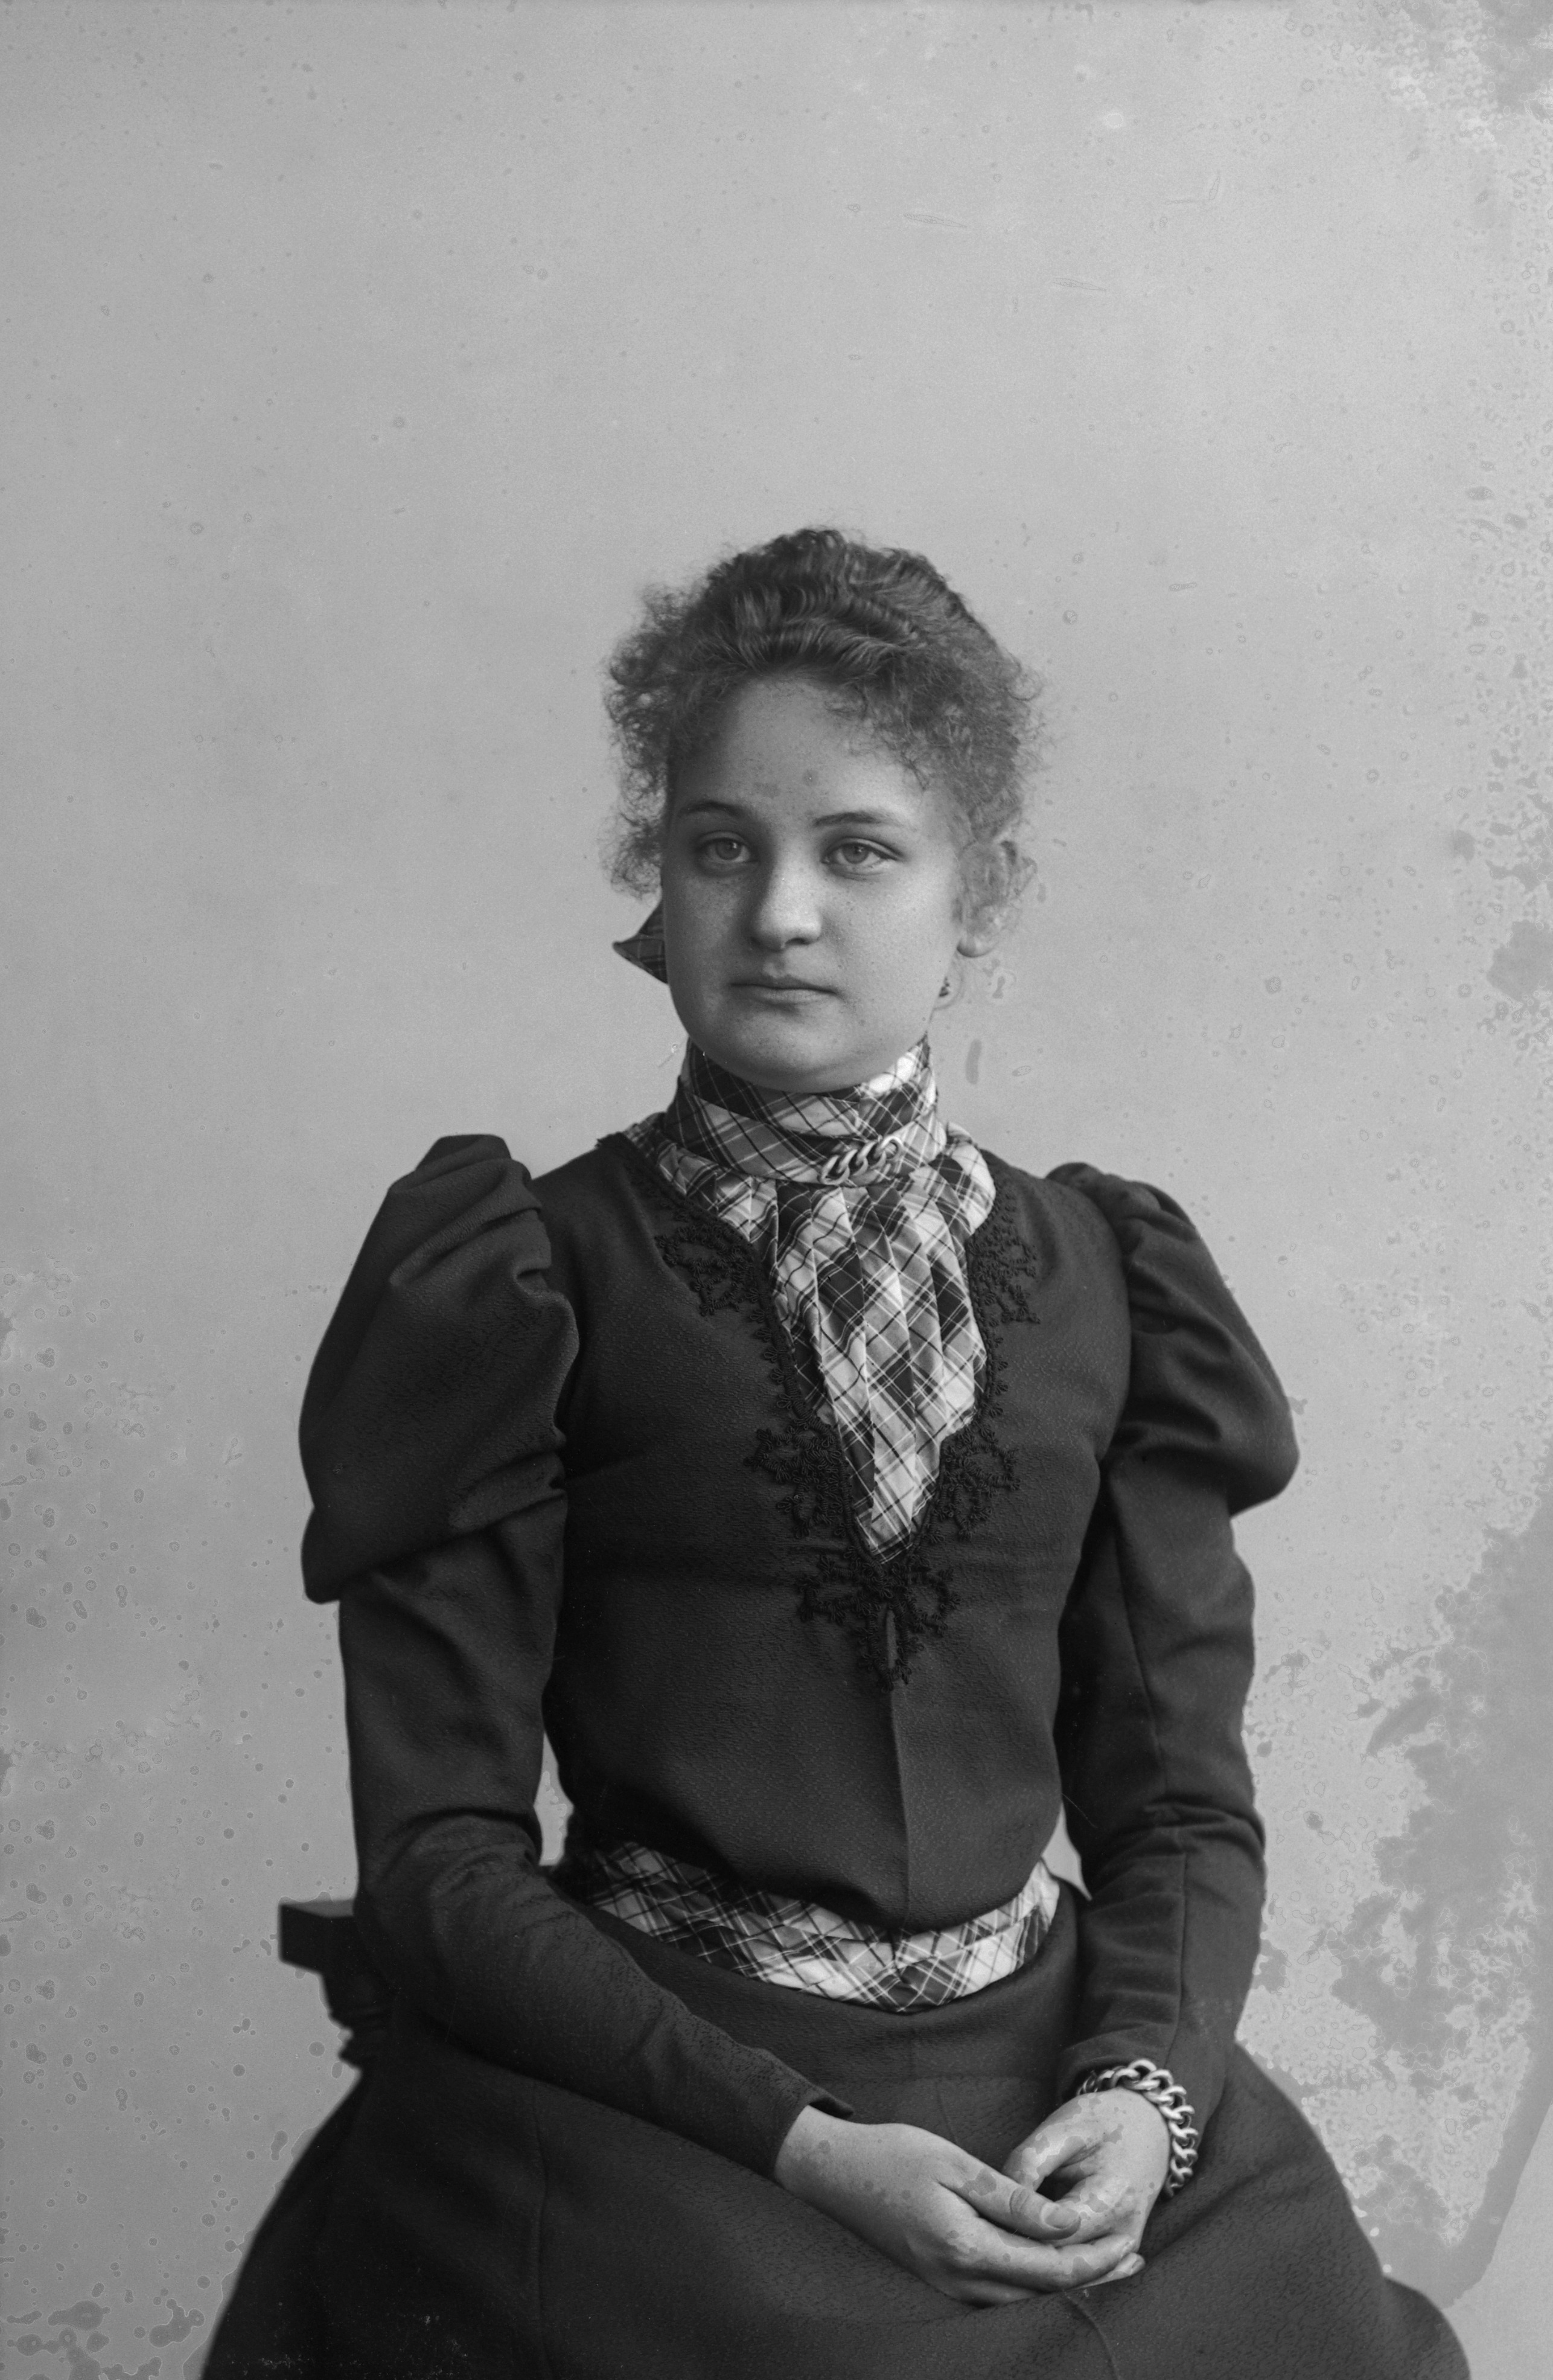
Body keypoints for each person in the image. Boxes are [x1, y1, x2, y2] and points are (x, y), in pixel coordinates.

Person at [208, 528, 1466, 2378]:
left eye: (861, 850)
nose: (782, 911)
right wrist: (801, 2144)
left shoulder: (1111, 1278)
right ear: (658, 883)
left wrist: (1145, 2097)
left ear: (982, 893)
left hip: (1050, 2082)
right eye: (722, 847)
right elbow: (440, 1863)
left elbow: (1179, 1807)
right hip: (659, 2107)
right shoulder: (519, 1279)